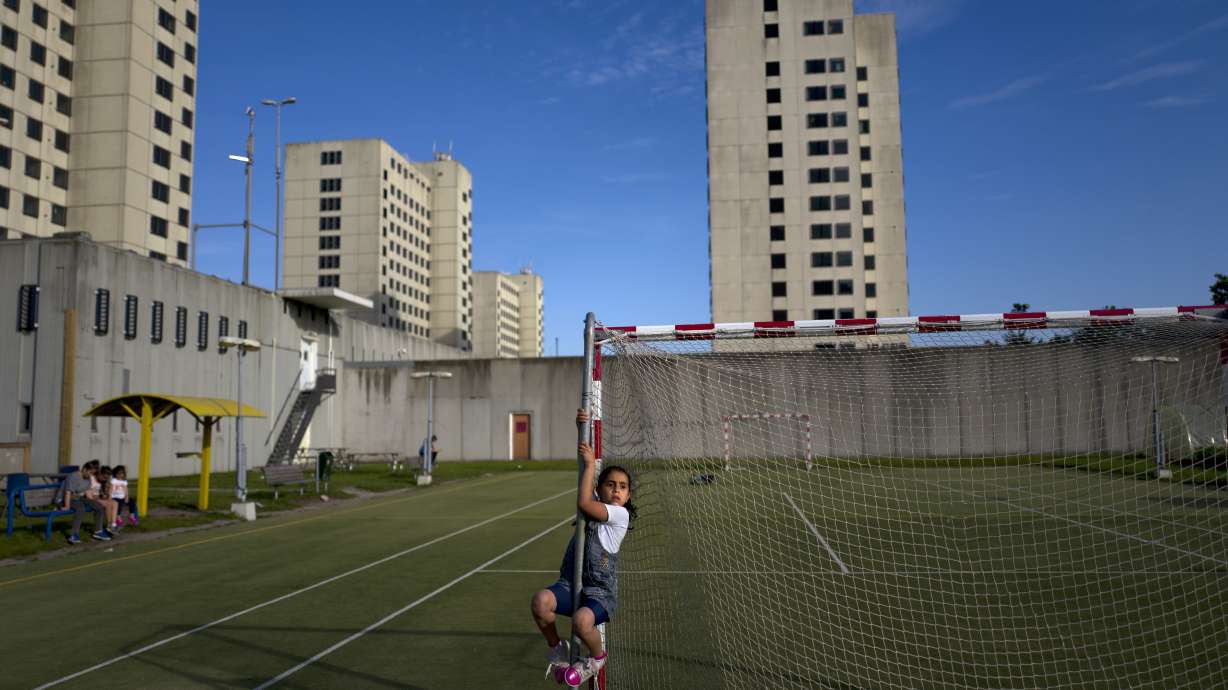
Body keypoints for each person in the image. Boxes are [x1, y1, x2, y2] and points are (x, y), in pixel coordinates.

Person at [530, 410, 636, 687]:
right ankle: (557, 648)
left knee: (582, 621)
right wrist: (581, 428)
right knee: (541, 603)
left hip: (600, 592)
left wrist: (591, 465)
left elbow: (584, 503)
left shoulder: (619, 515)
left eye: (622, 487)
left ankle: (597, 657)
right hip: (571, 583)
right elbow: (584, 487)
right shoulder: (597, 507)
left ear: (628, 496)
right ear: (600, 489)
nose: (616, 490)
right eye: (610, 485)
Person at [61, 460, 111, 544]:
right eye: (90, 472)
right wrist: (66, 506)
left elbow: (87, 493)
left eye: (92, 473)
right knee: (81, 508)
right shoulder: (73, 476)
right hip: (68, 498)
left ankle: (98, 532)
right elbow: (68, 492)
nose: (90, 475)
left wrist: (97, 500)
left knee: (99, 507)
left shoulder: (88, 478)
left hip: (79, 497)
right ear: (84, 469)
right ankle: (74, 535)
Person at [96, 466, 120, 531]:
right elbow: (95, 494)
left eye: (108, 476)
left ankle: (113, 524)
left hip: (102, 498)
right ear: (101, 474)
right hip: (94, 498)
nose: (105, 478)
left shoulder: (107, 481)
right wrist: (103, 496)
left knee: (115, 503)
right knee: (108, 504)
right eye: (104, 476)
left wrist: (108, 496)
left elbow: (108, 493)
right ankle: (109, 524)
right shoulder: (96, 481)